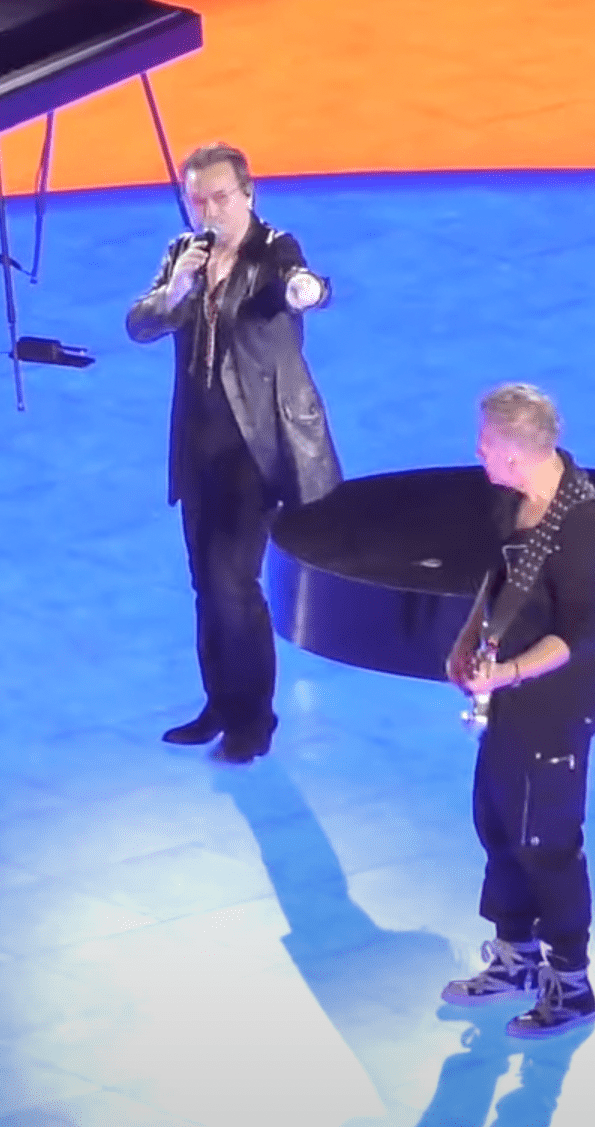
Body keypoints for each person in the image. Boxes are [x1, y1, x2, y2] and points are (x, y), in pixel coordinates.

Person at [126, 142, 342, 763]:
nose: (210, 211)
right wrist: (176, 291)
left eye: (221, 197)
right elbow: (139, 324)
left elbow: (300, 285)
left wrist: (306, 290)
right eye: (198, 200)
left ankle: (255, 717)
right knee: (206, 585)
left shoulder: (273, 249)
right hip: (198, 447)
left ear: (248, 193)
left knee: (233, 583)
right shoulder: (183, 255)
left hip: (256, 447)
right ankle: (218, 704)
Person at [441, 382, 595, 1038]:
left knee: (547, 841)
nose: (478, 452)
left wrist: (507, 672)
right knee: (498, 822)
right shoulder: (513, 500)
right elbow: (497, 580)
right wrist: (468, 640)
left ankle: (571, 985)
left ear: (515, 452)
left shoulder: (585, 526)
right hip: (512, 696)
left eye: (486, 443)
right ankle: (515, 957)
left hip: (557, 704)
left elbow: (578, 637)